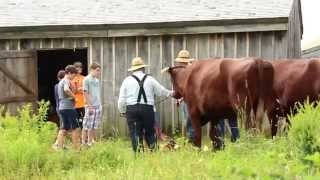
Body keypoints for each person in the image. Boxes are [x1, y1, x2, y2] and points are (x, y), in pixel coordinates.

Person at [118, 57, 175, 152]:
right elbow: (161, 91)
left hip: (132, 110)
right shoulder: (150, 79)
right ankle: (154, 154)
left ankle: (138, 156)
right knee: (150, 133)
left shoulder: (127, 81)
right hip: (147, 109)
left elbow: (121, 100)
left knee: (135, 134)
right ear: (143, 68)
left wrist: (123, 111)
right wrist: (172, 93)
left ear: (133, 70)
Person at [56, 65, 80, 150]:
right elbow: (66, 90)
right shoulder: (66, 80)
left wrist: (74, 88)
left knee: (64, 128)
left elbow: (66, 91)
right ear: (69, 73)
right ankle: (76, 148)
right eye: (73, 75)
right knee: (75, 128)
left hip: (62, 107)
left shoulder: (61, 82)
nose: (74, 77)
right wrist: (74, 97)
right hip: (69, 107)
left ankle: (59, 147)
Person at [174, 50, 195, 142]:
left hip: (191, 100)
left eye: (181, 62)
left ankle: (192, 140)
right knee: (188, 121)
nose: (180, 63)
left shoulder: (191, 71)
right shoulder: (186, 70)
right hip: (186, 99)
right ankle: (191, 138)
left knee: (190, 121)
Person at [82, 62, 102, 146]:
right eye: (97, 70)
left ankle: (91, 141)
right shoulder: (86, 79)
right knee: (87, 124)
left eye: (99, 71)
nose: (99, 72)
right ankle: (84, 142)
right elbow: (85, 92)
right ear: (92, 70)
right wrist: (89, 106)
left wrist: (100, 104)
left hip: (97, 105)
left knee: (94, 125)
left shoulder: (97, 80)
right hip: (90, 105)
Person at [52, 70, 65, 149]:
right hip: (61, 107)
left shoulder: (56, 86)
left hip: (58, 107)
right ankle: (57, 143)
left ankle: (60, 143)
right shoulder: (60, 86)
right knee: (63, 126)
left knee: (63, 125)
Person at [72, 62, 85, 129]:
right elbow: (71, 91)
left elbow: (87, 90)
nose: (80, 68)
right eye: (78, 67)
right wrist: (78, 89)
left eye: (81, 67)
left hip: (83, 103)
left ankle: (84, 138)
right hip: (75, 103)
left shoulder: (84, 78)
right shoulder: (72, 78)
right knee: (76, 122)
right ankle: (77, 138)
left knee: (84, 121)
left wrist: (83, 89)